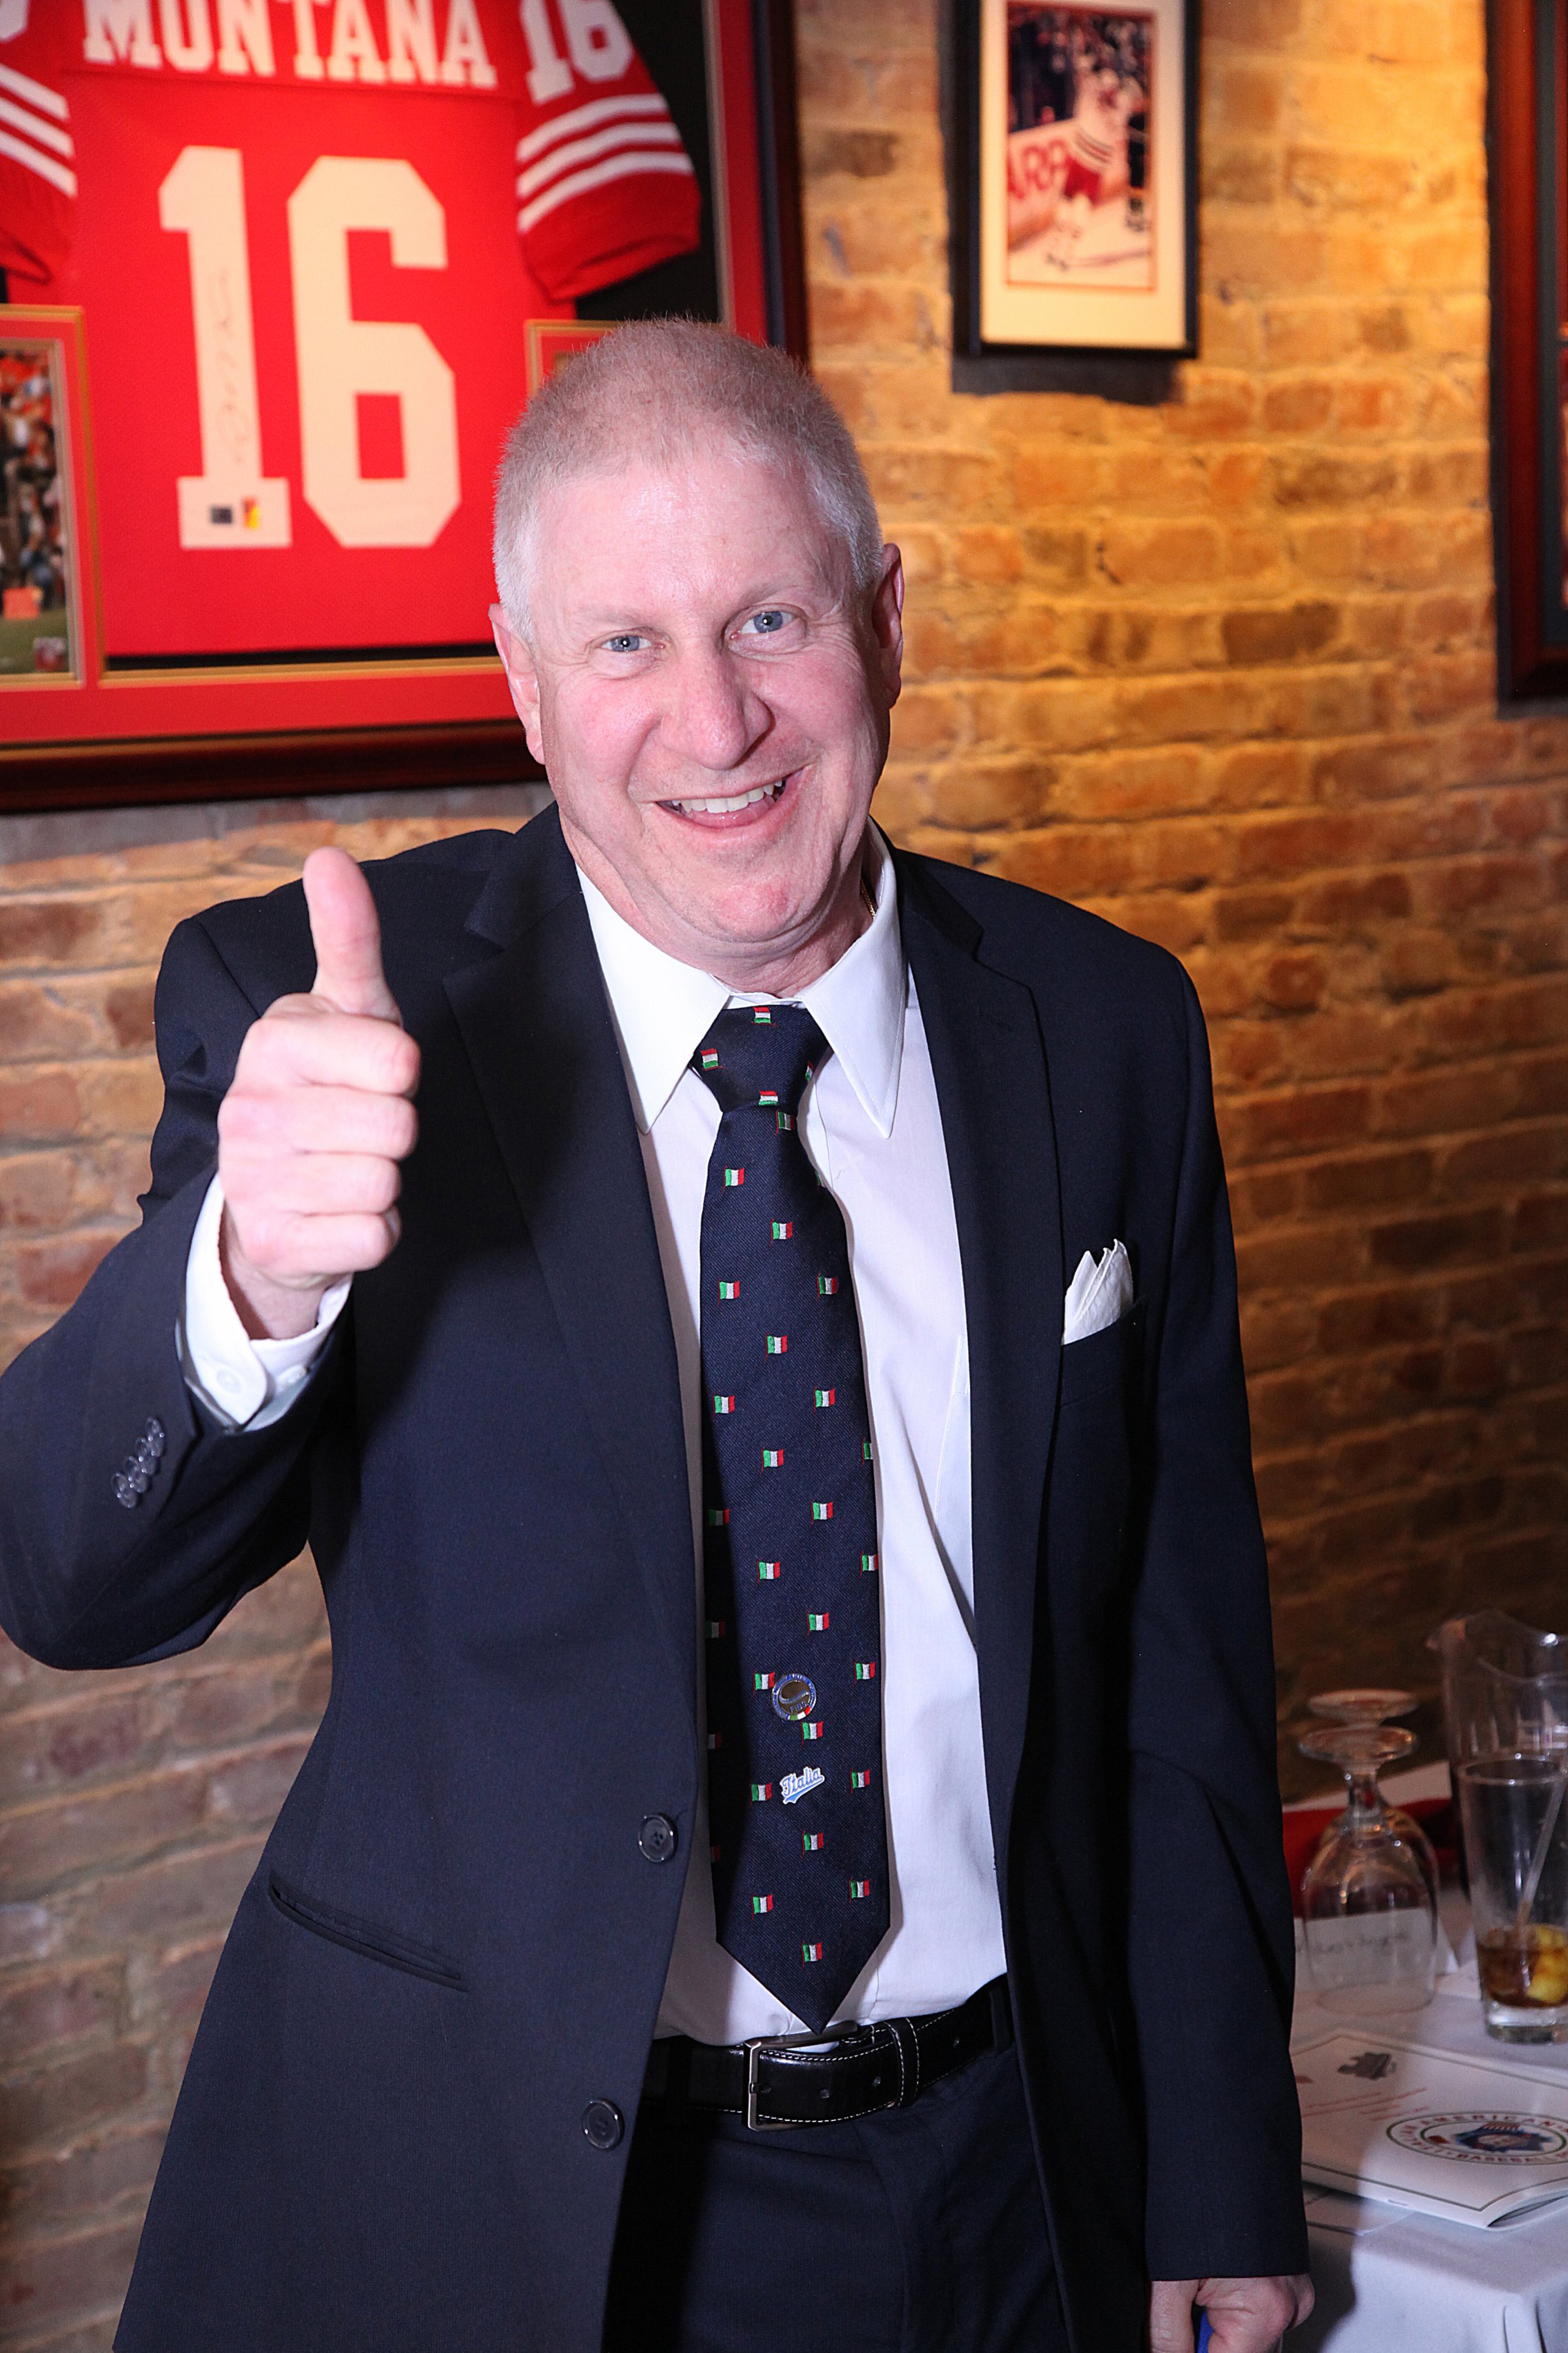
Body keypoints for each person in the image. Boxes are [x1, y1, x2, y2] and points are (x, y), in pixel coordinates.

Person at [0, 322, 1312, 2353]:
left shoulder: (1106, 1024)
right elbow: (69, 1582)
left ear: (885, 623)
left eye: (772, 617)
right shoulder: (333, 1017)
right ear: (525, 685)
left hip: (1021, 2181)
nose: (717, 722)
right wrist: (247, 1276)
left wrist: (1219, 2160)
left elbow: (1179, 1641)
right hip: (523, 2218)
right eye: (624, 644)